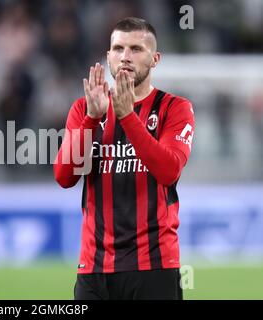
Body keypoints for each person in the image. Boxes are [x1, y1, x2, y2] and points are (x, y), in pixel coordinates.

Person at [53, 17, 195, 300]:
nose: (125, 57)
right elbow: (64, 177)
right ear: (108, 56)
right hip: (94, 268)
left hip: (154, 266)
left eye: (136, 49)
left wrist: (127, 117)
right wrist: (92, 119)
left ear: (155, 59)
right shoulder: (85, 108)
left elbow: (168, 171)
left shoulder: (174, 109)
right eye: (118, 48)